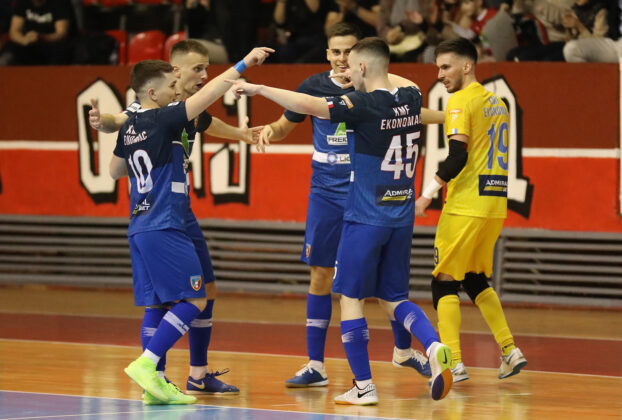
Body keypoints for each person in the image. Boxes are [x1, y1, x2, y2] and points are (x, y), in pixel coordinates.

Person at [230, 37, 453, 405]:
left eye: (352, 63)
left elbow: (309, 104)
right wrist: (372, 71)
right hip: (401, 216)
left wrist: (259, 88)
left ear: (361, 67)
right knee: (394, 298)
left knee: (350, 297)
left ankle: (363, 386)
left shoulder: (362, 105)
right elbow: (395, 79)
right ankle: (432, 345)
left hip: (365, 217)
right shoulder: (412, 96)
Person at [91, 40, 262, 402]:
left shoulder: (157, 115)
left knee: (185, 295)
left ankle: (173, 380)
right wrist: (245, 62)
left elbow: (116, 168)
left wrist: (240, 134)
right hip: (165, 216)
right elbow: (119, 119)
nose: (204, 75)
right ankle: (150, 366)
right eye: (197, 69)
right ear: (174, 73)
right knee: (192, 299)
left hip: (148, 217)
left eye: (207, 68)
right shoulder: (165, 112)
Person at [414, 37, 527, 383]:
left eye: (446, 67)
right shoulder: (497, 103)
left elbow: (457, 157)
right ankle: (510, 350)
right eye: (438, 68)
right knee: (476, 279)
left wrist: (426, 194)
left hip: (465, 205)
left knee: (443, 282)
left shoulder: (461, 101)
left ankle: (453, 362)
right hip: (494, 205)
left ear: (467, 66)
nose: (440, 75)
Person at [3, 0, 73, 65]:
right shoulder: (22, 2)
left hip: (51, 44)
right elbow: (14, 32)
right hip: (29, 45)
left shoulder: (59, 2)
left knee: (62, 49)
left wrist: (41, 37)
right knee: (10, 47)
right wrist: (24, 40)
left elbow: (61, 34)